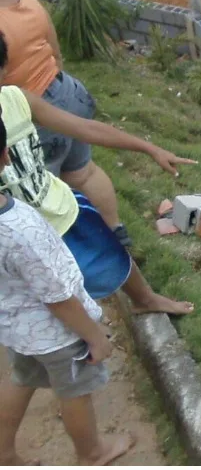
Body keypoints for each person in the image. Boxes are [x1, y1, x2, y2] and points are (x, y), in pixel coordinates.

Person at [0, 31, 195, 316]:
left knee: (111, 254)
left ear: (5, 67)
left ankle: (145, 300)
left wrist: (150, 148)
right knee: (49, 298)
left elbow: (85, 128)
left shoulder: (17, 99)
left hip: (60, 206)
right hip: (20, 233)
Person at [0, 111, 135, 466]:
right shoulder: (20, 227)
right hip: (58, 334)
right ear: (5, 156)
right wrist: (94, 336)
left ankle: (4, 452)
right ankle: (92, 453)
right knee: (75, 391)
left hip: (16, 327)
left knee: (21, 379)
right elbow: (57, 297)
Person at [0, 0, 133, 248]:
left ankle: (75, 254)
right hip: (67, 91)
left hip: (34, 114)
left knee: (45, 190)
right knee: (83, 171)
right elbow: (55, 52)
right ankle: (115, 231)